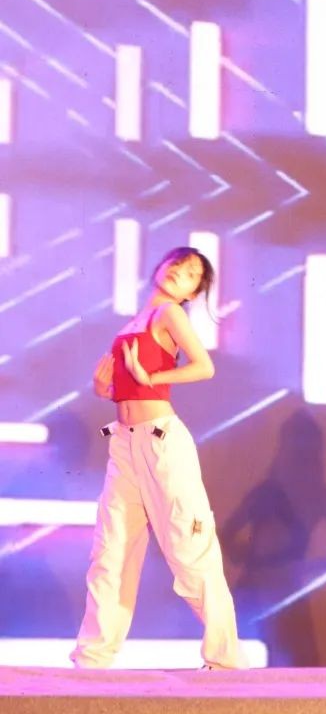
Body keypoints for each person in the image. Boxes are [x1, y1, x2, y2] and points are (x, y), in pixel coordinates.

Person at [72, 247, 247, 670]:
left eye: (191, 274)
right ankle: (92, 659)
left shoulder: (170, 314)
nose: (179, 273)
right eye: (177, 264)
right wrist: (105, 389)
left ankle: (225, 659)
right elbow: (126, 389)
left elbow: (203, 366)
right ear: (160, 267)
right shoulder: (135, 320)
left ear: (192, 293)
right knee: (112, 550)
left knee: (189, 547)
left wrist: (153, 376)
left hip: (161, 440)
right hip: (124, 442)